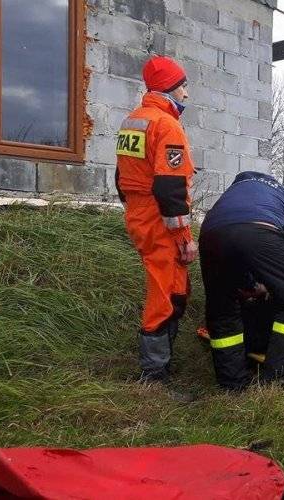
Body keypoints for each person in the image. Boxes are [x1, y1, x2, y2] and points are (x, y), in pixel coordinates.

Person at [199, 171, 284, 390]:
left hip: (210, 235)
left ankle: (232, 384)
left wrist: (250, 286)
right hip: (261, 230)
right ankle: (276, 382)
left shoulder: (234, 192)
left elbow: (237, 247)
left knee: (223, 309)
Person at [115, 55, 197, 384]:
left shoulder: (132, 122)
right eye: (183, 87)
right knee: (163, 296)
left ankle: (163, 364)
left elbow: (121, 179)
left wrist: (138, 210)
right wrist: (184, 239)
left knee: (175, 290)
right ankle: (154, 376)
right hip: (161, 223)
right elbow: (170, 188)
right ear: (169, 89)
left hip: (141, 216)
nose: (186, 95)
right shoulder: (167, 126)